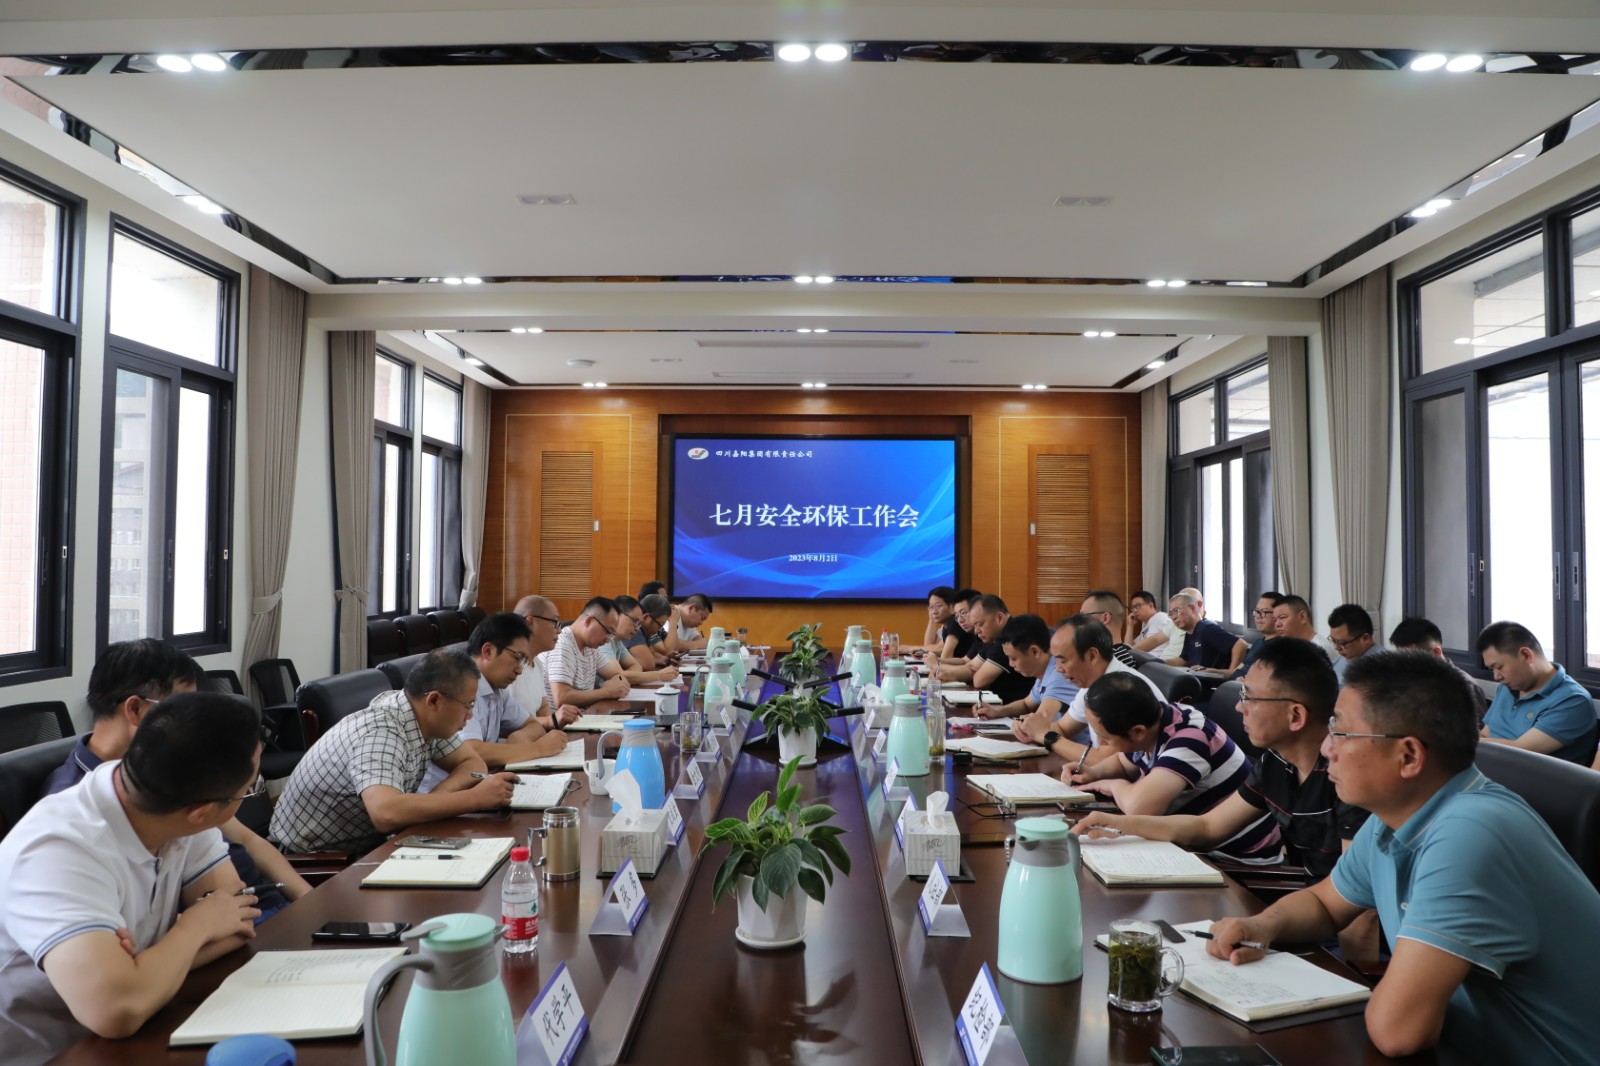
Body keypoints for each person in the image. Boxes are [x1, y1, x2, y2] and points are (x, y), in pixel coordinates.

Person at [1205, 652, 1600, 1063]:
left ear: (1409, 756)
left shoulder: (1471, 834)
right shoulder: (1394, 817)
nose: (1326, 747)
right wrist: (1262, 925)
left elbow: (1398, 1031)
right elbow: (1325, 902)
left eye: (1340, 732)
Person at [0, 692, 265, 1065]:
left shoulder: (172, 800)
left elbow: (238, 924)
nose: (246, 796)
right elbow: (115, 1011)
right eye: (247, 790)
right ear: (202, 811)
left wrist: (139, 968)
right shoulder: (56, 851)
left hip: (145, 1025)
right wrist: (196, 925)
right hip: (49, 1053)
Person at [41, 639, 310, 920]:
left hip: (260, 907)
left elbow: (248, 840)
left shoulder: (176, 760)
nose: (193, 721)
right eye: (182, 706)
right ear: (135, 709)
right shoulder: (75, 805)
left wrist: (308, 901)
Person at [1074, 638, 1365, 880]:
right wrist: (1118, 824)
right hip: (1303, 895)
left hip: (1267, 880)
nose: (1239, 707)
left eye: (1249, 697)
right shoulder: (1275, 762)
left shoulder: (1347, 780)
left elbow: (1358, 903)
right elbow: (1207, 828)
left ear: (1295, 715)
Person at [270, 649, 518, 854]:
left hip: (370, 845)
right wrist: (475, 798)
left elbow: (472, 763)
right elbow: (386, 813)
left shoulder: (422, 717)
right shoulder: (382, 731)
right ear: (434, 700)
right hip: (316, 858)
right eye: (468, 705)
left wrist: (437, 797)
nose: (470, 715)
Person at [1065, 672, 1270, 862]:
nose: (1101, 743)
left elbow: (1140, 808)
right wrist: (1095, 772)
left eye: (1106, 737)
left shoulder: (1191, 737)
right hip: (1189, 841)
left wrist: (1114, 784)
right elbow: (1123, 761)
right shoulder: (1158, 720)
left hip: (1236, 858)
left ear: (1138, 732)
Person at [421, 612, 568, 791]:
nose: (519, 670)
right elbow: (471, 751)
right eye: (517, 658)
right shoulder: (458, 687)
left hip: (477, 785)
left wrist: (519, 737)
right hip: (442, 796)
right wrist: (538, 748)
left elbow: (533, 725)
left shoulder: (498, 691)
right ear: (488, 651)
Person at [1010, 615, 1164, 766]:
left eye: (1063, 660)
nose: (1058, 668)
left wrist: (1045, 736)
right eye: (1055, 660)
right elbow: (1062, 728)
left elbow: (1106, 761)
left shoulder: (1123, 690)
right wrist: (1030, 728)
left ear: (1092, 656)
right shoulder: (1093, 683)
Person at [1475, 620, 1596, 765]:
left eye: (1499, 667)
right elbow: (1486, 734)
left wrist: (1463, 743)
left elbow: (1518, 752)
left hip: (1523, 775)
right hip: (1488, 768)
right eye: (1492, 669)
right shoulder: (1507, 687)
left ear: (1526, 655)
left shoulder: (1573, 700)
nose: (1496, 676)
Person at [933, 593, 1033, 705]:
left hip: (1013, 708)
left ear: (999, 618)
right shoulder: (993, 636)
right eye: (975, 625)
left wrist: (937, 667)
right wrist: (946, 674)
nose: (976, 631)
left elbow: (979, 680)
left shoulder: (1010, 637)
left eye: (980, 624)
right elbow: (971, 667)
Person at [1388, 616, 1489, 725]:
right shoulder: (1412, 683)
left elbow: (1480, 733)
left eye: (1410, 659)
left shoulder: (1466, 687)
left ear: (1436, 652)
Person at [986, 614, 1078, 722]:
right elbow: (1026, 704)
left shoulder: (1058, 674)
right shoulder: (1044, 671)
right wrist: (997, 711)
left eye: (1013, 658)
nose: (1010, 664)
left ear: (1034, 651)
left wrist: (1024, 723)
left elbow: (1039, 721)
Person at [510, 594, 583, 727]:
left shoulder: (537, 663)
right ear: (530, 622)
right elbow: (506, 722)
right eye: (555, 623)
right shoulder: (508, 665)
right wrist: (552, 720)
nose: (559, 631)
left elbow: (543, 709)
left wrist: (554, 724)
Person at [544, 596, 632, 708]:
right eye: (608, 632)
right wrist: (607, 692)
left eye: (612, 635)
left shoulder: (591, 648)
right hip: (562, 719)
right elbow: (561, 698)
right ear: (589, 621)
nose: (608, 640)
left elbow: (616, 675)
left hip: (585, 716)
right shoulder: (563, 645)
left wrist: (618, 684)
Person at [601, 595, 681, 685]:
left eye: (638, 623)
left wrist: (625, 675)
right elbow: (618, 675)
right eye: (634, 621)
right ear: (617, 615)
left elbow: (636, 666)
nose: (637, 628)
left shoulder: (617, 642)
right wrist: (659, 675)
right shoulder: (604, 641)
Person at [1165, 589, 1247, 676]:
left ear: (1192, 608)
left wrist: (1231, 673)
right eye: (1171, 613)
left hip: (1213, 680)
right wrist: (1160, 662)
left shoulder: (1207, 628)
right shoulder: (1189, 633)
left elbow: (1240, 644)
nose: (1174, 617)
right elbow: (1184, 660)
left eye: (1177, 611)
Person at [1226, 591, 1283, 681]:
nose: (1258, 616)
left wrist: (1247, 683)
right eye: (1257, 611)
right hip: (1233, 685)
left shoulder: (1280, 648)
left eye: (1264, 612)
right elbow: (1236, 671)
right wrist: (1212, 671)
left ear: (1278, 615)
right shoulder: (1258, 643)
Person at [1079, 590, 1141, 667]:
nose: (1079, 622)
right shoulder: (1101, 656)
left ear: (1105, 618)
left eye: (1083, 616)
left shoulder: (1115, 661)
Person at [1271, 595, 1336, 663]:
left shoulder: (1320, 648)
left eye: (1282, 617)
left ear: (1302, 617)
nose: (1277, 624)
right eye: (1275, 620)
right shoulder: (1287, 649)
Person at [1327, 603, 1379, 683]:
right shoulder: (1340, 661)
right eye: (1334, 641)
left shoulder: (1383, 667)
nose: (1336, 648)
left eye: (1342, 643)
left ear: (1365, 638)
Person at [1127, 589, 1183, 658]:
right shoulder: (1147, 624)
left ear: (1150, 605)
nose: (1134, 610)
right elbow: (1129, 647)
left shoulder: (1159, 618)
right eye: (1133, 607)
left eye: (1138, 606)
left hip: (1161, 662)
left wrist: (1127, 653)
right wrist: (1130, 626)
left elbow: (1153, 643)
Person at [625, 593, 674, 670]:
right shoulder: (635, 629)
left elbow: (651, 655)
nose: (660, 629)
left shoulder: (647, 631)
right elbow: (647, 664)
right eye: (660, 625)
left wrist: (663, 659)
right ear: (646, 617)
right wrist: (674, 623)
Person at [921, 585, 959, 654]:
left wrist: (908, 649)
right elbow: (928, 646)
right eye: (931, 607)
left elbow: (936, 648)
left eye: (939, 606)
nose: (934, 611)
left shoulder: (956, 623)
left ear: (952, 607)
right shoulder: (944, 627)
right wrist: (931, 619)